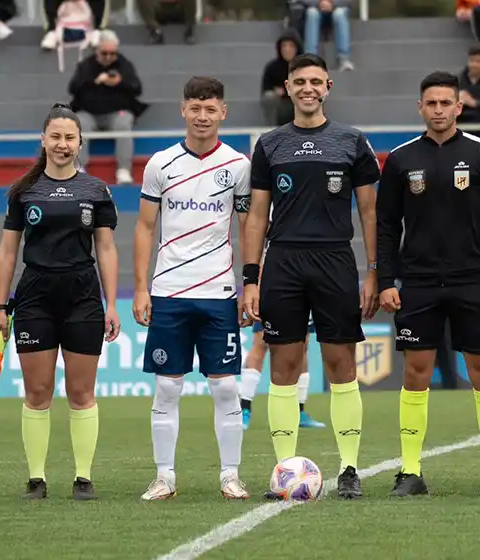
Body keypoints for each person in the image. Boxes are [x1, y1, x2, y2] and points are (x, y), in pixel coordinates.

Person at [241, 53, 380, 500]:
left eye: (315, 81)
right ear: (287, 87)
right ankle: (284, 470)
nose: (307, 88)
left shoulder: (352, 141)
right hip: (282, 262)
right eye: (299, 81)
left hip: (335, 261)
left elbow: (370, 211)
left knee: (341, 365)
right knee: (283, 365)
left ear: (328, 87)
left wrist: (374, 272)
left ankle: (350, 469)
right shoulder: (269, 144)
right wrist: (251, 278)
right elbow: (256, 216)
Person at [377, 71, 480, 496]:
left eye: (445, 103)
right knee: (415, 373)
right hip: (417, 283)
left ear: (459, 107)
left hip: (473, 281)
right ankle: (411, 472)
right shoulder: (400, 160)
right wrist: (386, 280)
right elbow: (384, 227)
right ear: (420, 107)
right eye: (430, 103)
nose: (438, 110)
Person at [0, 102, 120, 501]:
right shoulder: (23, 191)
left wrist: (111, 303)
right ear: (43, 141)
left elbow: (107, 249)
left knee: (81, 392)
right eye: (56, 137)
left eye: (70, 137)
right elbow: (7, 252)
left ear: (80, 142)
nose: (62, 144)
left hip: (83, 298)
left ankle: (83, 478)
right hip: (34, 299)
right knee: (38, 391)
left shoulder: (96, 190)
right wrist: (0, 308)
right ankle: (36, 479)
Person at [133, 76, 252, 501]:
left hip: (219, 293)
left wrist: (249, 285)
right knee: (167, 386)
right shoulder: (160, 164)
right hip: (169, 292)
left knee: (224, 387)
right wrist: (141, 288)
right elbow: (145, 227)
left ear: (223, 112)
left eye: (211, 109)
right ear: (183, 110)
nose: (202, 116)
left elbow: (248, 227)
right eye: (195, 108)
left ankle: (230, 476)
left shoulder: (239, 165)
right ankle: (164, 476)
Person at [69, 29, 148, 185]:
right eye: (104, 53)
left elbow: (137, 88)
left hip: (116, 113)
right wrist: (94, 81)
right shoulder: (86, 65)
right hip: (89, 113)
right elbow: (73, 88)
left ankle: (123, 170)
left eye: (112, 54)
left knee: (123, 123)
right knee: (80, 124)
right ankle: (78, 169)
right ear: (97, 51)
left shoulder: (124, 64)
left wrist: (120, 82)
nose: (108, 57)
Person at [240, 317, 326, 430]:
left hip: (303, 301)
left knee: (301, 346)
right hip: (271, 300)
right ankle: (244, 410)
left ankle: (299, 411)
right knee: (261, 343)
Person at [260, 30, 303, 127]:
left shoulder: (305, 67)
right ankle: (272, 131)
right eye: (284, 46)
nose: (287, 49)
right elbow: (265, 89)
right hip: (281, 106)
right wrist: (275, 91)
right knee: (269, 97)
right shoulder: (272, 67)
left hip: (300, 103)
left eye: (291, 46)